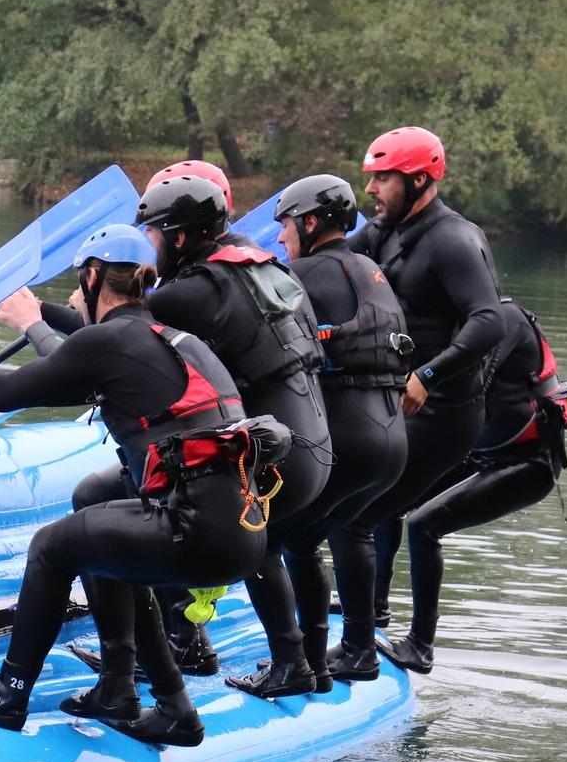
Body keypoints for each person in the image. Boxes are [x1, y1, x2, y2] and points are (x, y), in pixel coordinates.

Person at [0, 225, 270, 747]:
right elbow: (54, 374)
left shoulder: (112, 340)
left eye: (81, 284)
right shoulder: (169, 341)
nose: (77, 296)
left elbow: (6, 392)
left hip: (195, 527)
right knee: (100, 526)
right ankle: (151, 703)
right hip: (243, 532)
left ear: (94, 274)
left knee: (53, 546)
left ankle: (7, 694)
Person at [36, 175, 334, 693]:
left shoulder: (193, 292)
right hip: (310, 442)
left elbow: (107, 344)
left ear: (177, 237)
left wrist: (34, 315)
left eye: (149, 234)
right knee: (130, 497)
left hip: (276, 454)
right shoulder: (252, 264)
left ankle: (198, 660)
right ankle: (242, 654)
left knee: (166, 507)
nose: (142, 250)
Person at [224, 173, 410, 691]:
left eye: (284, 225)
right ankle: (334, 657)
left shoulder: (299, 272)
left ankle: (294, 667)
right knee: (306, 540)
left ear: (309, 223)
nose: (279, 237)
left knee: (257, 540)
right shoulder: (369, 267)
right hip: (392, 440)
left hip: (347, 436)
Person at [342, 125, 503, 632]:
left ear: (418, 181)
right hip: (396, 403)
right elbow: (331, 261)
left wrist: (427, 376)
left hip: (446, 411)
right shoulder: (384, 231)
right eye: (371, 179)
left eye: (383, 179)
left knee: (356, 514)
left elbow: (488, 321)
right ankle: (374, 609)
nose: (371, 190)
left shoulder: (454, 239)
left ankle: (365, 642)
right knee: (367, 499)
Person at [380, 300, 567, 673]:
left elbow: (470, 383)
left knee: (424, 525)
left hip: (528, 463)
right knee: (388, 497)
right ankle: (375, 608)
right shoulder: (459, 329)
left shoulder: (504, 321)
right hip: (482, 452)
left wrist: (422, 382)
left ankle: (421, 646)